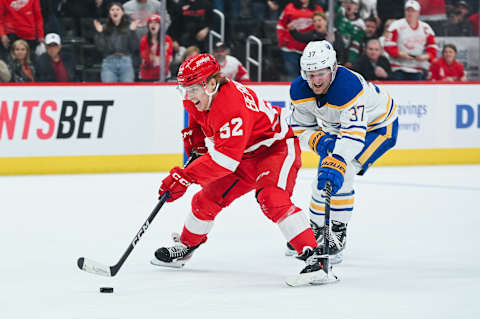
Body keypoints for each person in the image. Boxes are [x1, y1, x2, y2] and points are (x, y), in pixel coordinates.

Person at [150, 53, 332, 285]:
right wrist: (195, 143)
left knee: (271, 198)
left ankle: (316, 259)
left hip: (275, 148)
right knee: (205, 200)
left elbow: (226, 160)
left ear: (211, 84)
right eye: (184, 89)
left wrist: (185, 177)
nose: (188, 96)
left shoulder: (231, 105)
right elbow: (196, 120)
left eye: (193, 89)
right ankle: (186, 247)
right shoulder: (198, 96)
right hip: (242, 154)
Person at [285, 40, 398, 264]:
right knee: (322, 180)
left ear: (333, 69)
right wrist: (318, 140)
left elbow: (354, 136)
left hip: (377, 128)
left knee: (343, 173)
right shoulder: (299, 89)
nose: (315, 81)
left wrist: (337, 158)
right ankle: (316, 231)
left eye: (321, 74)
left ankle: (336, 234)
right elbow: (300, 128)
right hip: (338, 131)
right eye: (310, 74)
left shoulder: (349, 87)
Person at [384, 0, 438, 81]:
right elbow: (388, 44)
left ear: (418, 12)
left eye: (413, 11)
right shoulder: (396, 25)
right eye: (408, 10)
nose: (410, 13)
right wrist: (400, 54)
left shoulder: (426, 28)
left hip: (417, 68)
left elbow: (433, 47)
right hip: (398, 67)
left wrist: (425, 57)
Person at [276, 0, 324, 80]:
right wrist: (283, 40)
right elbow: (281, 25)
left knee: (311, 79)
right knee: (293, 78)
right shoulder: (289, 8)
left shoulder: (317, 9)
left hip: (310, 51)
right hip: (291, 49)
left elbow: (323, 25)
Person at [94, 2, 139, 83]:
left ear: (123, 12)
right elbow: (101, 48)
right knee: (109, 92)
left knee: (127, 91)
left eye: (118, 9)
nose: (115, 12)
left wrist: (132, 31)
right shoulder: (104, 28)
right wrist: (100, 33)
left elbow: (134, 47)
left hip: (126, 62)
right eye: (112, 10)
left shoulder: (129, 27)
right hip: (109, 63)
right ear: (109, 13)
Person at [139, 14, 173, 81]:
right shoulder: (144, 40)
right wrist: (155, 54)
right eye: (151, 23)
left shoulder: (167, 39)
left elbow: (168, 59)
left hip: (163, 74)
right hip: (146, 75)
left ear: (160, 26)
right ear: (148, 26)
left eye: (156, 23)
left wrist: (154, 56)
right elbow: (146, 61)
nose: (153, 25)